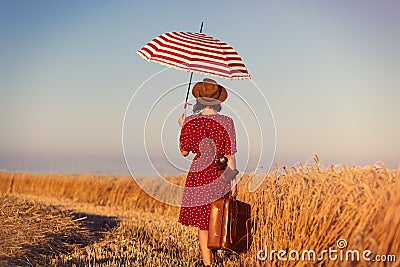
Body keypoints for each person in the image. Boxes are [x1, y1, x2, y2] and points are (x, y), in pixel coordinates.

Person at [177, 78, 238, 267]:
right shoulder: (228, 122)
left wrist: (182, 126)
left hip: (198, 174)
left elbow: (184, 152)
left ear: (199, 100)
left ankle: (207, 263)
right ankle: (213, 256)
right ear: (218, 100)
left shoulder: (191, 122)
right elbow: (230, 154)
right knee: (218, 216)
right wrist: (234, 181)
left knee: (203, 223)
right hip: (220, 173)